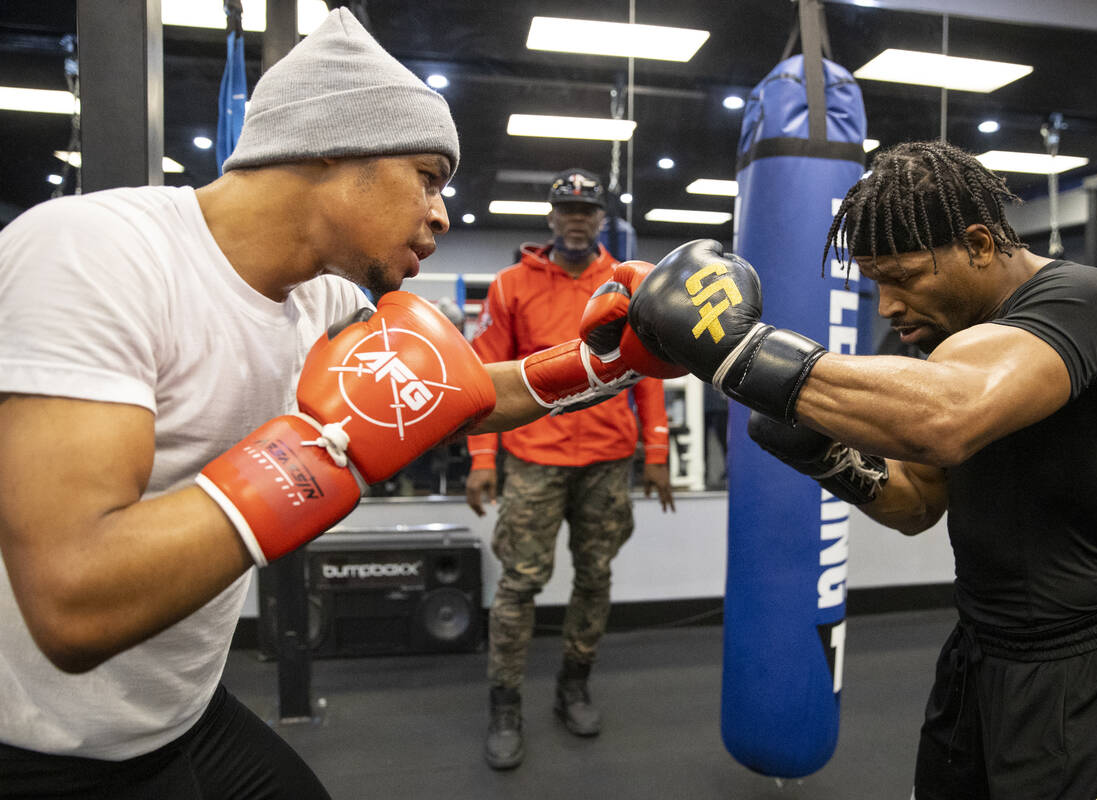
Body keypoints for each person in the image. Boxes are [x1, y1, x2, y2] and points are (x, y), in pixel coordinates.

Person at [0, 11, 663, 799]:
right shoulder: (94, 253)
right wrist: (322, 448)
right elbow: (75, 602)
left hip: (180, 711)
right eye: (427, 176)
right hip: (46, 749)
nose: (443, 214)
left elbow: (460, 397)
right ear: (332, 143)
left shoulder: (318, 301)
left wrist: (604, 360)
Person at [623, 141, 1097, 799]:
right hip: (977, 654)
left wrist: (741, 350)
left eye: (903, 277)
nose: (886, 306)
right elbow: (916, 504)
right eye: (875, 282)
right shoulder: (942, 335)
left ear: (977, 243)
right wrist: (827, 457)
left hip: (1081, 666)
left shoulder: (1084, 302)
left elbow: (949, 419)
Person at [465, 168, 676, 770]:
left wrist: (656, 454)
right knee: (520, 582)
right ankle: (505, 704)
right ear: (552, 218)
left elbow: (652, 373)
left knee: (596, 576)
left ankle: (573, 686)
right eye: (567, 209)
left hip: (609, 460)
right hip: (534, 459)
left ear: (602, 219)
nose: (577, 219)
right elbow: (482, 377)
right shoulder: (510, 286)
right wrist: (483, 459)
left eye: (588, 210)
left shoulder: (630, 284)